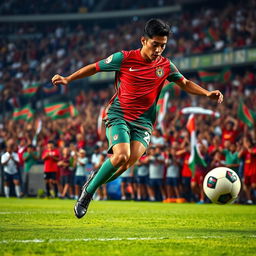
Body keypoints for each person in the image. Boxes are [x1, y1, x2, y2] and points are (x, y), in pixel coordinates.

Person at [52, 18, 223, 218]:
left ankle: (93, 180)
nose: (159, 49)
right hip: (119, 115)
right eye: (155, 44)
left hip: (143, 123)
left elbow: (184, 83)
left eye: (163, 46)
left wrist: (206, 94)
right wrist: (68, 79)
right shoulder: (123, 58)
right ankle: (87, 194)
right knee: (121, 156)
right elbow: (94, 67)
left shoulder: (165, 65)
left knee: (125, 164)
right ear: (143, 40)